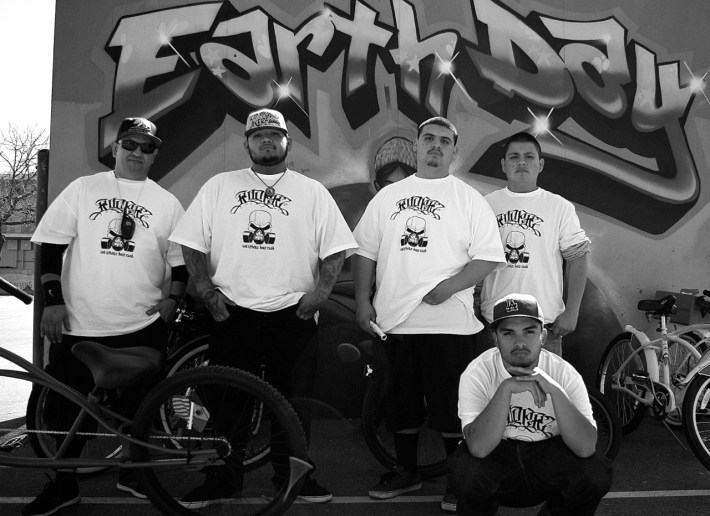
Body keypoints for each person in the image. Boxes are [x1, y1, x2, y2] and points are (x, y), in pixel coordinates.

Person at [169, 108, 357, 507]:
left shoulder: (311, 191)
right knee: (227, 403)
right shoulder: (220, 186)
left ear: (287, 142)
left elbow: (337, 248)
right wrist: (204, 287)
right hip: (232, 312)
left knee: (293, 405)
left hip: (294, 314)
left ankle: (292, 478)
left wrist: (320, 294)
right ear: (247, 144)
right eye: (258, 136)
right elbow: (191, 241)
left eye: (274, 135)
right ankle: (223, 480)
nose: (266, 141)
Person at [26, 117, 187, 516]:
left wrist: (173, 300)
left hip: (141, 326)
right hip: (78, 325)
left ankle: (132, 473)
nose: (137, 153)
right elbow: (49, 245)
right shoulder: (83, 189)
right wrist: (53, 300)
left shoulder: (167, 203)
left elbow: (180, 262)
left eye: (147, 148)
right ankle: (63, 485)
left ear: (154, 156)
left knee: (138, 409)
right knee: (64, 411)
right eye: (129, 144)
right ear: (115, 149)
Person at [353, 116, 505, 511]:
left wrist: (449, 287)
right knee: (400, 405)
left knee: (453, 410)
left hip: (452, 326)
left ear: (454, 151)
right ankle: (407, 471)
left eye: (444, 141)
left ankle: (458, 481)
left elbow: (489, 257)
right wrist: (362, 302)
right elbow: (365, 251)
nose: (435, 146)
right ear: (417, 147)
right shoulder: (387, 197)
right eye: (428, 139)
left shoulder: (468, 198)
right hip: (395, 323)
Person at [448, 293, 612, 515]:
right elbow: (478, 447)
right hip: (497, 456)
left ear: (543, 336)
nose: (520, 343)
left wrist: (555, 391)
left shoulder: (563, 373)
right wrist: (506, 389)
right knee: (464, 471)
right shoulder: (478, 372)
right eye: (508, 333)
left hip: (547, 455)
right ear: (495, 338)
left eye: (529, 331)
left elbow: (585, 448)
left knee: (595, 473)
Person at [480, 132, 591, 356]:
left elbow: (578, 258)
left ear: (540, 164)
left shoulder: (559, 207)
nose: (521, 161)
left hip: (545, 326)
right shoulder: (485, 205)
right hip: (496, 323)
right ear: (503, 165)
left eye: (529, 156)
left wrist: (572, 312)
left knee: (546, 391)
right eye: (514, 157)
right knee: (497, 390)